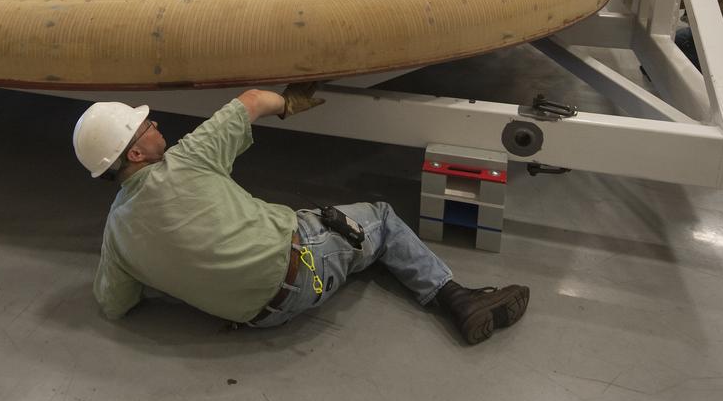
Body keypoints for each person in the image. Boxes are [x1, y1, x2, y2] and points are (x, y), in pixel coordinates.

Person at [73, 85, 530, 345]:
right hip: (305, 269)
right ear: (135, 150)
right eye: (148, 127)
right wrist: (287, 103)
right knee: (383, 218)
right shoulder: (188, 158)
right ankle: (458, 299)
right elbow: (251, 100)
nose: (157, 127)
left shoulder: (115, 233)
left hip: (259, 318)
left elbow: (114, 305)